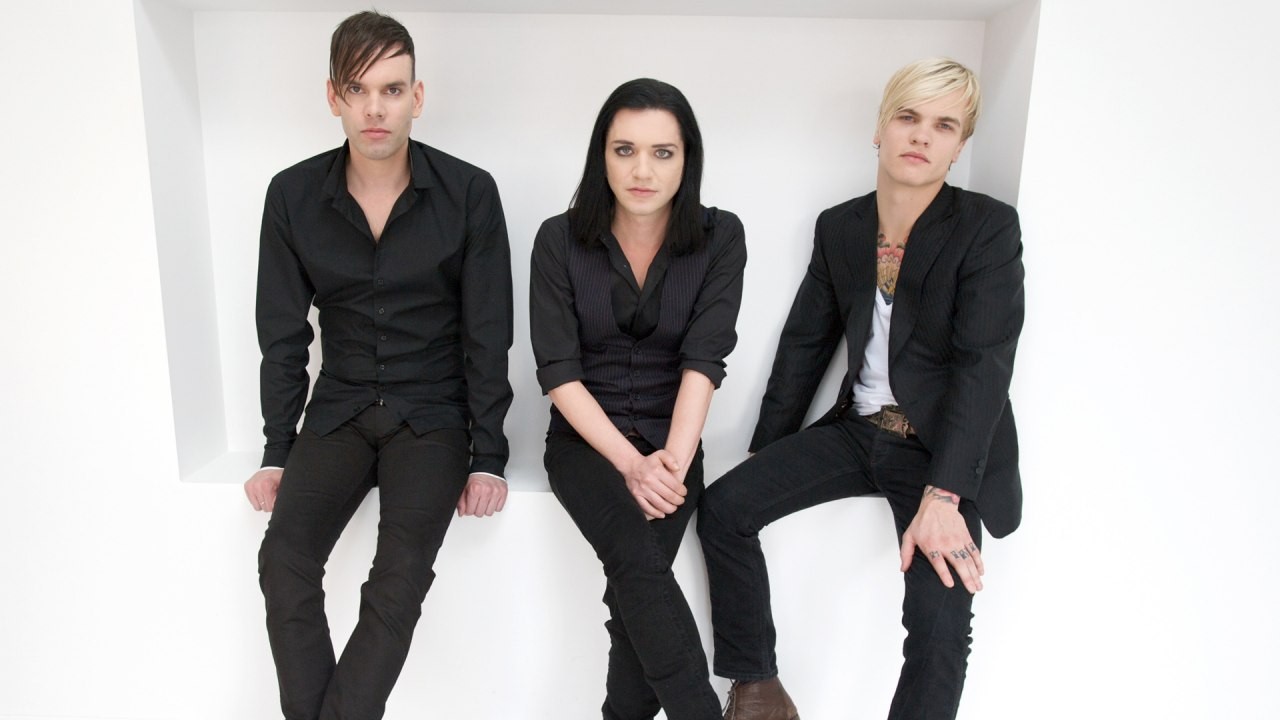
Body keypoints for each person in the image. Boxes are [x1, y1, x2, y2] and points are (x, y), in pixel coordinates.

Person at [699, 58, 1025, 720]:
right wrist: (770, 450)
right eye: (908, 117)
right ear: (880, 129)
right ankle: (758, 691)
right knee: (725, 507)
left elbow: (984, 366)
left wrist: (945, 494)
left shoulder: (986, 228)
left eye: (944, 125)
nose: (922, 135)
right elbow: (806, 342)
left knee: (940, 628)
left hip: (939, 451)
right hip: (856, 430)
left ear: (960, 145)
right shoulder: (842, 226)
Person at [241, 11, 513, 719]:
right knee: (283, 562)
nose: (374, 108)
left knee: (397, 578)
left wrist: (489, 456)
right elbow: (282, 336)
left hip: (434, 417)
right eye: (358, 90)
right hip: (340, 409)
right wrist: (277, 448)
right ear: (333, 95)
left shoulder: (469, 193)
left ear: (416, 97)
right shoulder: (292, 196)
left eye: (391, 90)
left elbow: (489, 335)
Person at [530, 78, 747, 720]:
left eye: (662, 152)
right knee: (637, 562)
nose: (642, 170)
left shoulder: (721, 236)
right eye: (625, 150)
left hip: (673, 442)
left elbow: (704, 361)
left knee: (634, 589)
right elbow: (559, 372)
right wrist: (630, 465)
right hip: (585, 443)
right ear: (602, 156)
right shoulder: (558, 239)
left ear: (687, 160)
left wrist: (670, 464)